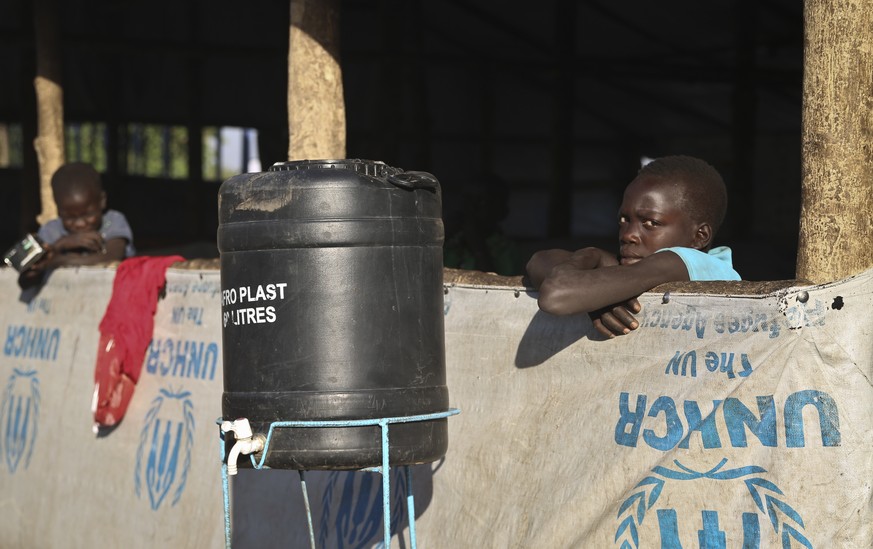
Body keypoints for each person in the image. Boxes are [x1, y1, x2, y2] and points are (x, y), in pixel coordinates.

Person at [526, 155, 740, 338]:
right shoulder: (643, 268)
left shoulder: (687, 262)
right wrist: (598, 296)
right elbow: (538, 261)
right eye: (623, 220)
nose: (628, 235)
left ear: (699, 237)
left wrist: (591, 276)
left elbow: (556, 294)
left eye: (651, 223)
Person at [18, 162, 135, 289]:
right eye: (69, 217)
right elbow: (25, 280)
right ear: (58, 210)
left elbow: (111, 257)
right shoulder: (50, 231)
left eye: (88, 214)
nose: (80, 224)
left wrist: (57, 261)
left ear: (102, 201)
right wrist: (59, 245)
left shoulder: (113, 222)